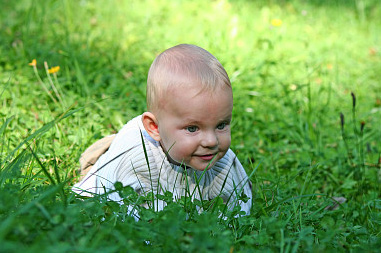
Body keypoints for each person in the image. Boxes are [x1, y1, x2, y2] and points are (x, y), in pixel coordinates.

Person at [72, 44, 252, 218]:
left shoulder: (223, 162)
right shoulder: (135, 159)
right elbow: (110, 204)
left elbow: (241, 200)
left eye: (221, 125)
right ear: (155, 127)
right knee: (105, 161)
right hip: (111, 168)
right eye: (192, 128)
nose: (211, 141)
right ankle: (105, 148)